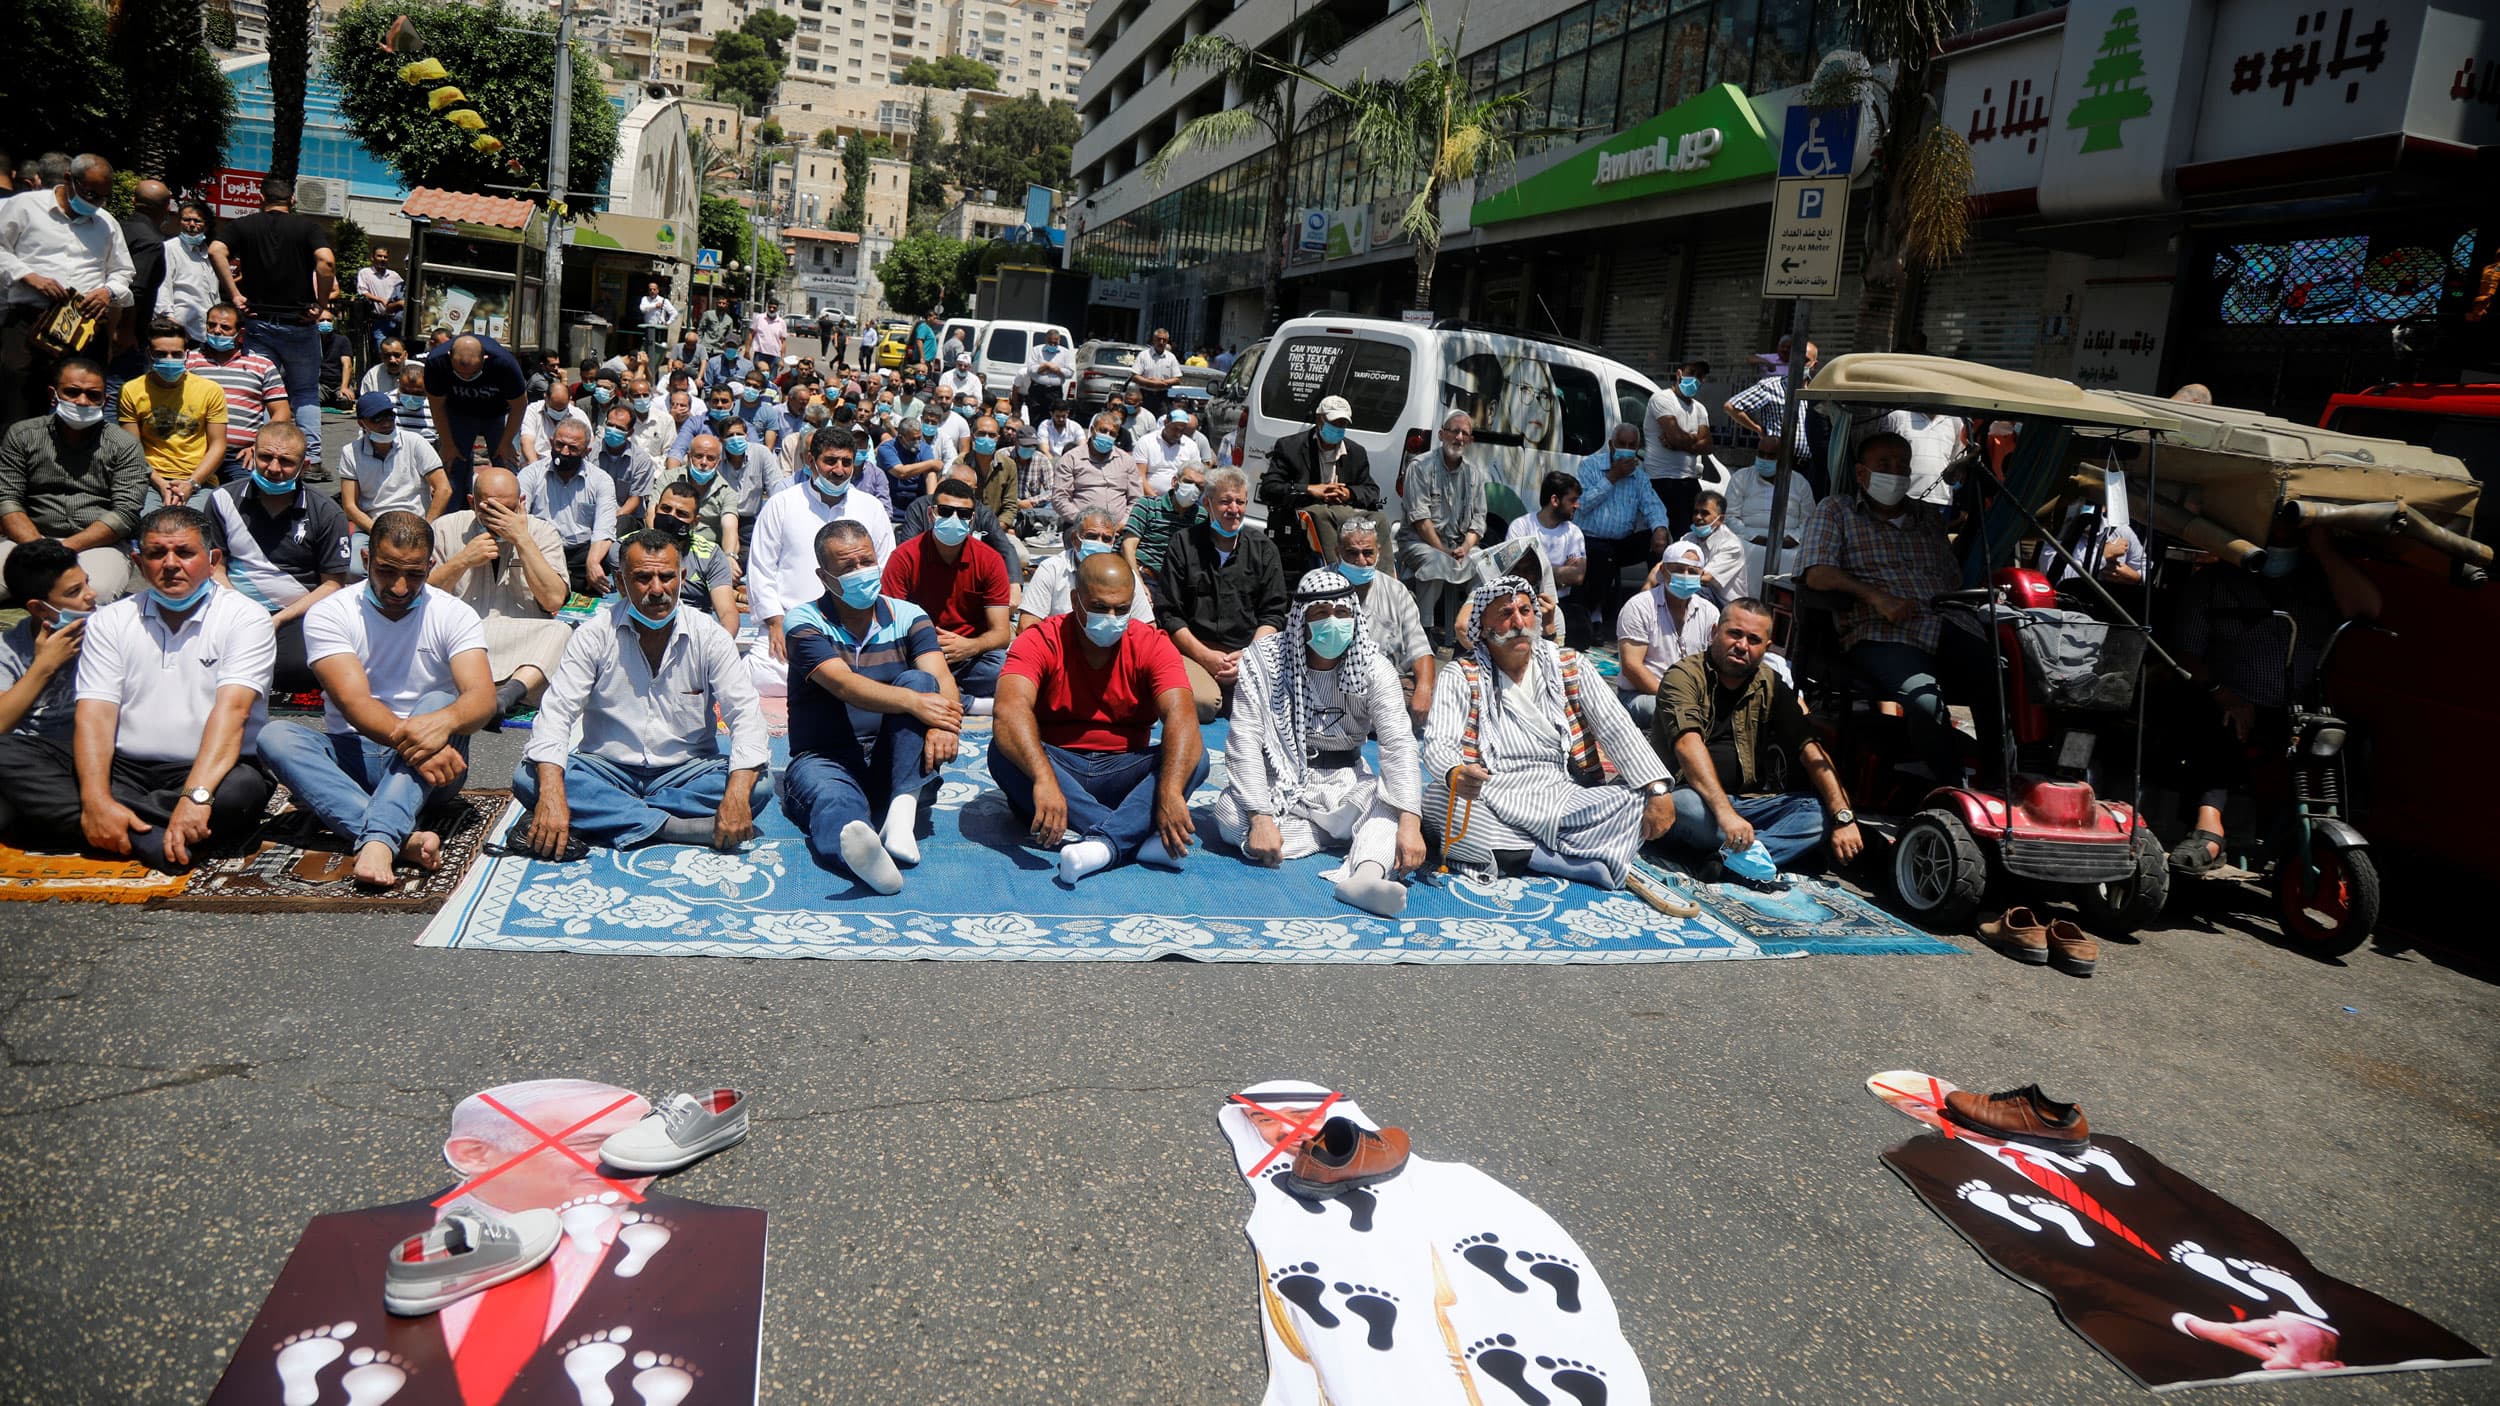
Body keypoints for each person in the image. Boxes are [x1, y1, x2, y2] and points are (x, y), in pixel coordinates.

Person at [27, 506, 277, 869]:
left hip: (212, 769)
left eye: (185, 552)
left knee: (242, 791)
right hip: (123, 769)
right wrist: (97, 798)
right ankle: (148, 833)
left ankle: (104, 823)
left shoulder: (245, 617)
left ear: (212, 560)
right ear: (139, 563)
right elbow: (95, 716)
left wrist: (195, 796)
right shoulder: (110, 620)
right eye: (157, 553)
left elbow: (234, 713)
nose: (171, 564)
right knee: (9, 752)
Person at [254, 511, 495, 888]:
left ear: (430, 565)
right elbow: (355, 704)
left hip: (435, 770)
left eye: (414, 574)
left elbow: (482, 698)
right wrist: (419, 741)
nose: (400, 587)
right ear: (366, 560)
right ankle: (402, 839)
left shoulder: (454, 614)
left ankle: (380, 839)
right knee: (274, 737)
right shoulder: (330, 613)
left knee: (435, 703)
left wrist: (441, 726)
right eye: (387, 571)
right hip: (364, 752)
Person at [514, 531, 768, 857]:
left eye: (666, 577)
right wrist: (550, 792)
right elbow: (557, 713)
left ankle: (605, 816)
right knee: (528, 777)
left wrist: (734, 793)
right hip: (607, 767)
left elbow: (744, 714)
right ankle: (677, 828)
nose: (657, 589)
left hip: (686, 771)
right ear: (621, 583)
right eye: (643, 578)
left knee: (757, 785)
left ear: (683, 578)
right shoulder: (594, 635)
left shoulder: (710, 636)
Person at [1420, 576, 1675, 888]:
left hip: (1561, 795)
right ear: (1483, 628)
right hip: (1493, 792)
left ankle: (1518, 852)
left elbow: (1617, 728)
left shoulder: (1569, 665)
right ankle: (1560, 862)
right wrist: (1456, 773)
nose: (1518, 622)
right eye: (1505, 614)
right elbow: (1437, 743)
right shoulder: (1461, 675)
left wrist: (1656, 789)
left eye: (1525, 611)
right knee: (1438, 800)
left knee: (1635, 800)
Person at [2168, 522, 2381, 874]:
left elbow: (2368, 608)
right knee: (2216, 725)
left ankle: (2315, 835)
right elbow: (2186, 654)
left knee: (2346, 741)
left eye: (2290, 529)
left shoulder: (2319, 581)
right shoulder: (2213, 582)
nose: (2281, 537)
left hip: (2300, 708)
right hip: (2232, 703)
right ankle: (2209, 829)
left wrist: (2324, 548)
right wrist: (2225, 695)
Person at [1213, 568, 1424, 917]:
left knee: (1392, 806)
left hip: (1346, 785)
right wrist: (1261, 817)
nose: (1333, 622)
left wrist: (1410, 823)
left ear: (1354, 616)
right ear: (1301, 620)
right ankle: (1335, 837)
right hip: (1279, 782)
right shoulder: (1265, 660)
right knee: (1229, 813)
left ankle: (1365, 877)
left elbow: (1398, 743)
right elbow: (1244, 739)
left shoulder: (1374, 665)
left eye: (1342, 613)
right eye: (1320, 613)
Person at [991, 551, 1208, 884]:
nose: (1111, 617)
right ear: (1076, 600)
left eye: (1121, 609)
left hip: (1122, 769)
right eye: (1100, 607)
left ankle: (1103, 844)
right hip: (1057, 768)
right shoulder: (1041, 639)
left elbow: (1181, 715)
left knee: (1195, 757)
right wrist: (1044, 778)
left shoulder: (1152, 644)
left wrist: (1169, 790)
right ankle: (1130, 836)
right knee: (1002, 750)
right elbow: (1010, 710)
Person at [780, 518, 963, 892]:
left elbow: (941, 679)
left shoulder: (909, 616)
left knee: (921, 680)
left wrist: (944, 723)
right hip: (825, 757)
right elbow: (845, 685)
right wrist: (916, 703)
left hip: (891, 757)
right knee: (834, 803)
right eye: (847, 567)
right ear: (824, 575)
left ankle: (900, 814)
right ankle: (862, 859)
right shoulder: (804, 622)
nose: (861, 572)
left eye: (866, 561)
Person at [1797, 429, 1989, 781]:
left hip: (1945, 623)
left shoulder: (1928, 518)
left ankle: (2001, 779)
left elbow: (1952, 580)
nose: (1895, 471)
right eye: (1884, 463)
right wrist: (1876, 597)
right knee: (1924, 701)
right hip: (1881, 632)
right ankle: (1951, 787)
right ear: (1861, 473)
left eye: (1902, 464)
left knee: (2006, 680)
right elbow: (1817, 574)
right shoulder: (1837, 511)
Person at [1653, 597, 1864, 877]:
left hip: (1747, 803)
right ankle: (1766, 853)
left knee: (1818, 811)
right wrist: (1726, 815)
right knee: (1685, 807)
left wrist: (1843, 818)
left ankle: (1727, 861)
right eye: (1734, 634)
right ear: (1715, 632)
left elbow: (1811, 751)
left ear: (1766, 648)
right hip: (1692, 795)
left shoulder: (1770, 683)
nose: (1742, 646)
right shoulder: (1684, 676)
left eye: (1753, 640)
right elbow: (1687, 745)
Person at [202, 421, 351, 693]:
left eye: (286, 461)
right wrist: (242, 611)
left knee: (298, 670)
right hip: (233, 603)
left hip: (296, 611)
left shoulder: (327, 512)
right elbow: (215, 568)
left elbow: (333, 584)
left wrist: (279, 619)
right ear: (252, 454)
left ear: (304, 467)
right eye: (265, 457)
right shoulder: (222, 500)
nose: (273, 468)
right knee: (203, 658)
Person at [208, 177, 335, 472]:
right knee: (304, 391)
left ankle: (264, 454)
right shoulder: (308, 229)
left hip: (257, 322)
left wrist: (235, 293)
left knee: (265, 391)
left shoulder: (244, 226)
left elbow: (216, 250)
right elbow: (326, 262)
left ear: (260, 198)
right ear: (292, 200)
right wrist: (321, 304)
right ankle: (312, 459)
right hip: (299, 322)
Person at [428, 466, 574, 718]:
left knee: (562, 632)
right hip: (463, 637)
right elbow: (422, 597)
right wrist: (461, 561)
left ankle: (504, 697)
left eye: (508, 509)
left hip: (522, 640)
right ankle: (491, 690)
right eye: (490, 509)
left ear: (521, 503)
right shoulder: (444, 528)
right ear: (473, 503)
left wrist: (523, 540)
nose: (500, 517)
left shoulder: (542, 532)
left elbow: (553, 600)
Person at [0, 153, 133, 426]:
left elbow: (123, 272)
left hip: (82, 328)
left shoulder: (106, 223)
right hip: (29, 322)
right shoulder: (24, 206)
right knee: (19, 407)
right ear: (69, 180)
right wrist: (28, 275)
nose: (96, 202)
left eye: (102, 197)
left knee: (80, 408)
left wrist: (108, 291)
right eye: (91, 194)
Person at [0, 357, 147, 601]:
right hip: (29, 541)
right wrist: (40, 548)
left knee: (91, 596)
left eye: (93, 395)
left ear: (105, 401)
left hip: (97, 546)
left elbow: (125, 513)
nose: (82, 402)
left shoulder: (125, 445)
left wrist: (65, 548)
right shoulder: (22, 435)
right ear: (53, 395)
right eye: (72, 392)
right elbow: (7, 499)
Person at [1151, 468, 1286, 723]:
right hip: (1195, 652)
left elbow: (1273, 614)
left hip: (1246, 654)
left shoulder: (1264, 550)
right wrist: (1205, 656)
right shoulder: (1183, 544)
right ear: (1207, 503)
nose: (1233, 509)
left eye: (1240, 502)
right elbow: (1169, 614)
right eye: (1225, 501)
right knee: (1202, 703)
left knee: (1277, 706)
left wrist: (1249, 656)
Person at [751, 427, 896, 664]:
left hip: (857, 628)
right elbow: (761, 568)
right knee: (765, 677)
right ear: (811, 461)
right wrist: (775, 621)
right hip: (790, 624)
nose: (839, 470)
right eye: (830, 461)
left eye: (846, 462)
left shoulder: (871, 507)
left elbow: (886, 568)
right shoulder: (782, 504)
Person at [881, 478, 1012, 702]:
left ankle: (937, 695)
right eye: (945, 511)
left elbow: (1001, 633)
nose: (954, 519)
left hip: (970, 655)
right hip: (918, 653)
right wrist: (927, 649)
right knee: (890, 669)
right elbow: (889, 624)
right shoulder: (904, 557)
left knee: (1001, 669)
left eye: (963, 514)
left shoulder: (990, 560)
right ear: (931, 514)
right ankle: (967, 702)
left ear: (972, 519)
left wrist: (970, 646)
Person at [0, 541, 98, 836]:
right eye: (74, 592)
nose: (90, 596)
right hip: (34, 762)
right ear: (39, 608)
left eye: (86, 583)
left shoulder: (109, 627)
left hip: (99, 756)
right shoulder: (9, 649)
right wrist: (44, 666)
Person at [1395, 411, 1491, 642]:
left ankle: (1469, 628)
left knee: (1487, 565)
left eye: (1464, 433)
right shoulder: (1420, 466)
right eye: (1454, 431)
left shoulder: (1474, 474)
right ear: (1441, 434)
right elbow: (1420, 519)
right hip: (1419, 542)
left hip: (1458, 546)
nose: (1458, 437)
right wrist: (1442, 550)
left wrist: (1466, 547)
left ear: (1470, 440)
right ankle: (1425, 631)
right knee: (1436, 562)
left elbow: (1479, 520)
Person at [1335, 518, 1434, 733]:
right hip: (1332, 686)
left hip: (1383, 687)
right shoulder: (1319, 585)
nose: (1361, 561)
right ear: (1338, 552)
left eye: (1367, 553)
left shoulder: (1396, 591)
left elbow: (1419, 648)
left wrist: (1424, 689)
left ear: (1378, 552)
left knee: (1429, 696)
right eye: (1352, 553)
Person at [1261, 395, 1378, 575]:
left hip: (1345, 509)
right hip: (1308, 509)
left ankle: (1382, 578)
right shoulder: (1290, 447)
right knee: (1321, 514)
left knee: (1379, 520)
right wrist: (1310, 489)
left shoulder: (1356, 452)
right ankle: (1336, 573)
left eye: (1342, 424)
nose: (1338, 428)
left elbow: (1371, 490)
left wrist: (1349, 493)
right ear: (1319, 420)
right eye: (1334, 423)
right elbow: (1269, 488)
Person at [1573, 419, 1670, 636]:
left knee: (1659, 542)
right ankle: (1594, 613)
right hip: (1590, 540)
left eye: (1631, 445)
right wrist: (1613, 477)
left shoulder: (1639, 476)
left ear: (1637, 449)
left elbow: (1653, 505)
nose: (1626, 450)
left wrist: (1660, 529)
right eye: (1621, 444)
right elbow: (1582, 504)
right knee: (1603, 554)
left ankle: (1656, 605)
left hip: (1621, 543)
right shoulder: (1590, 466)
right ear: (1611, 445)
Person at [118, 318, 226, 507]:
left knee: (195, 526)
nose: (169, 360)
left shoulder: (211, 390)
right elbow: (132, 450)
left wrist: (191, 484)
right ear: (149, 354)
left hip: (199, 479)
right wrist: (160, 483)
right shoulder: (131, 390)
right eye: (161, 354)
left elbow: (218, 445)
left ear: (186, 354)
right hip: (149, 479)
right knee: (149, 523)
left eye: (176, 354)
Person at [1615, 539, 1721, 728]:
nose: (1686, 575)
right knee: (1668, 711)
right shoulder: (1640, 606)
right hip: (1643, 695)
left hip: (1691, 698)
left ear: (1701, 575)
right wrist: (1674, 699)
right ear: (1663, 571)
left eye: (1693, 571)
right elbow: (1632, 667)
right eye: (1679, 569)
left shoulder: (1709, 612)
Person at [181, 303, 289, 485]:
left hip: (241, 455)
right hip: (195, 451)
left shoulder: (262, 365)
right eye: (211, 325)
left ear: (240, 333)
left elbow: (281, 412)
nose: (217, 331)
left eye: (225, 327)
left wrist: (260, 446)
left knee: (244, 499)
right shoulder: (188, 361)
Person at [339, 390, 451, 565]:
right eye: (377, 419)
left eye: (389, 416)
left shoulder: (415, 442)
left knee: (436, 565)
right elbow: (349, 506)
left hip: (417, 523)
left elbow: (444, 489)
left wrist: (426, 526)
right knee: (353, 568)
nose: (386, 423)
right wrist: (377, 530)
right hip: (373, 527)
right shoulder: (350, 452)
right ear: (362, 423)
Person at [422, 333, 529, 506]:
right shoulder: (436, 362)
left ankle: (512, 511)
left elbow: (519, 404)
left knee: (506, 462)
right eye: (460, 374)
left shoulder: (504, 363)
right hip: (458, 413)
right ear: (450, 357)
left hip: (498, 413)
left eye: (472, 374)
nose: (466, 378)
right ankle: (454, 515)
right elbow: (436, 405)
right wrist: (448, 444)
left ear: (485, 359)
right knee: (453, 463)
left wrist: (506, 441)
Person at [517, 419, 617, 597]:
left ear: (586, 451)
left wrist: (593, 562)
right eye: (559, 444)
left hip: (582, 553)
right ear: (550, 442)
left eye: (572, 448)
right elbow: (519, 515)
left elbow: (604, 528)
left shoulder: (601, 480)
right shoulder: (530, 474)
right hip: (541, 549)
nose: (564, 452)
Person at [1021, 509, 1157, 630]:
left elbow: (1148, 627)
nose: (1099, 543)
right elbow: (1027, 626)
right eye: (1092, 537)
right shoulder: (1052, 569)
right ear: (1075, 539)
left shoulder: (1125, 574)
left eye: (1106, 539)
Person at [1503, 471, 1589, 646]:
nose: (1577, 505)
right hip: (1523, 600)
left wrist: (1534, 568)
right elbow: (1513, 571)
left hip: (1560, 602)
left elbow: (1578, 576)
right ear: (1555, 500)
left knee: (1583, 632)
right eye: (1572, 500)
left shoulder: (1574, 533)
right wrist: (1560, 571)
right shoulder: (1521, 526)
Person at [1723, 432, 1817, 591]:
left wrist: (1794, 538)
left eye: (1771, 455)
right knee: (1737, 551)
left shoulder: (1800, 483)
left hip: (1789, 543)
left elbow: (1809, 521)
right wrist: (1754, 537)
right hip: (1747, 539)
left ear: (1784, 458)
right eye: (1761, 454)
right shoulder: (1741, 477)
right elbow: (1730, 517)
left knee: (1798, 559)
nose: (1765, 459)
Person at [648, 478, 741, 635]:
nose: (671, 518)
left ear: (695, 522)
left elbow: (727, 613)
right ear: (656, 508)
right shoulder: (628, 548)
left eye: (681, 514)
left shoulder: (711, 555)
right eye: (665, 509)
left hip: (695, 633)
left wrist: (722, 649)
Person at [1723, 335, 1817, 462]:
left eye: (1805, 360)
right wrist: (1757, 428)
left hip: (1808, 466)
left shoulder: (1816, 393)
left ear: (1814, 365)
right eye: (1796, 358)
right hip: (1778, 463)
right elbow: (1731, 406)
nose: (1799, 363)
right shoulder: (1771, 386)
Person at [1052, 409, 1139, 539]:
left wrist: (1124, 523)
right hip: (1082, 529)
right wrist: (1084, 522)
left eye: (1112, 434)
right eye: (1103, 431)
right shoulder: (1071, 459)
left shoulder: (1126, 461)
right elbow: (1060, 499)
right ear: (1093, 430)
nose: (1107, 436)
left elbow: (1136, 499)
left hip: (1120, 530)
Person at [1878, 407, 1966, 512]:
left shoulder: (1955, 421)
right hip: (1902, 499)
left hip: (1940, 500)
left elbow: (1956, 460)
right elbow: (1883, 458)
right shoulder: (1897, 416)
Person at [156, 201, 220, 343]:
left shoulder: (207, 253)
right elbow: (163, 286)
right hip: (180, 330)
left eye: (197, 221)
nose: (191, 224)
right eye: (186, 220)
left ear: (206, 225)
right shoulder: (169, 248)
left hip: (206, 333)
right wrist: (170, 320)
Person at [595, 402, 658, 537]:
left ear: (630, 432)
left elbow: (634, 500)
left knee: (620, 525)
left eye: (619, 428)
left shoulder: (641, 460)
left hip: (625, 517)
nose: (613, 430)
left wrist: (610, 519)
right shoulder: (591, 451)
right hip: (594, 512)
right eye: (610, 425)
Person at [1685, 489, 1749, 600]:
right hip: (1703, 592)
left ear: (1721, 519)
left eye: (1705, 513)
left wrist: (1673, 576)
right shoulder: (1687, 538)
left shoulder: (1731, 545)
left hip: (1727, 605)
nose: (1698, 517)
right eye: (1696, 512)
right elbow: (1666, 565)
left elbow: (1705, 577)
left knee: (1691, 592)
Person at [877, 413, 943, 521]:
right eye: (913, 439)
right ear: (901, 438)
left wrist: (931, 502)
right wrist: (931, 463)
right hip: (891, 506)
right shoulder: (887, 449)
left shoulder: (924, 448)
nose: (917, 442)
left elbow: (930, 473)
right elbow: (901, 472)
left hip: (916, 506)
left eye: (919, 438)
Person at [517, 380, 592, 466]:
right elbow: (527, 440)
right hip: (537, 463)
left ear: (569, 400)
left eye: (562, 409)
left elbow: (589, 444)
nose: (558, 412)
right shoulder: (532, 411)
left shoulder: (578, 415)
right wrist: (534, 466)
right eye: (554, 408)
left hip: (570, 466)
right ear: (545, 397)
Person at [355, 247, 404, 357]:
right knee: (382, 352)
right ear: (372, 258)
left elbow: (403, 290)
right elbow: (362, 291)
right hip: (380, 320)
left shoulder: (394, 275)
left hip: (396, 321)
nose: (382, 259)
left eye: (385, 257)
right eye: (379, 256)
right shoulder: (365, 273)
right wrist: (380, 299)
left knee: (397, 353)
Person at [1023, 326, 1073, 421]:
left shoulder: (1065, 353)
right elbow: (1031, 370)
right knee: (1035, 417)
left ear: (1059, 340)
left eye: (1055, 342)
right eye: (1050, 342)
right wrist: (1045, 365)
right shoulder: (1036, 350)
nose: (1053, 345)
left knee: (1053, 418)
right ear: (1046, 340)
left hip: (1054, 391)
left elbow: (1070, 372)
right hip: (1037, 390)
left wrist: (1057, 369)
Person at [1129, 326, 1182, 415]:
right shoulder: (1144, 355)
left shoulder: (1171, 357)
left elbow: (1177, 379)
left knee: (1161, 424)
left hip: (1162, 398)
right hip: (1144, 396)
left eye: (1164, 340)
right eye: (1159, 339)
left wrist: (1162, 383)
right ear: (1154, 340)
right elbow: (1135, 376)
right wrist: (1150, 383)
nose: (1161, 342)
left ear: (1167, 341)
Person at [745, 300, 788, 376]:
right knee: (757, 377)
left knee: (771, 380)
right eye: (770, 307)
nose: (771, 309)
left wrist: (782, 359)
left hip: (774, 356)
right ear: (767, 307)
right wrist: (747, 351)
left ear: (777, 308)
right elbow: (751, 334)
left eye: (774, 308)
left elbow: (783, 342)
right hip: (760, 354)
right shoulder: (759, 318)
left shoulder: (781, 322)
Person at [638, 280, 677, 358]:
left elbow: (674, 313)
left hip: (659, 329)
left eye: (654, 289)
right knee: (646, 350)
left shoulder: (663, 301)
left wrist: (668, 322)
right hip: (647, 328)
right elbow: (642, 309)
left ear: (658, 290)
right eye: (650, 289)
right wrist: (654, 306)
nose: (652, 291)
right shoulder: (645, 299)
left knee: (658, 350)